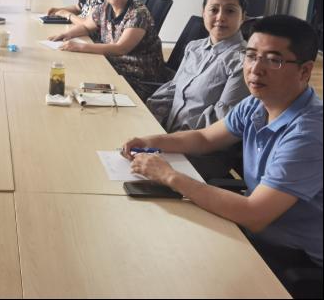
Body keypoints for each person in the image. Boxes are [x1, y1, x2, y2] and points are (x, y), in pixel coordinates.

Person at [122, 15, 322, 298]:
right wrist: (151, 141)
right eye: (250, 55)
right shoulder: (256, 104)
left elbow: (254, 215)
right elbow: (205, 138)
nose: (255, 69)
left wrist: (169, 176)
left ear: (304, 71)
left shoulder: (309, 134)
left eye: (273, 60)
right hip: (256, 231)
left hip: (294, 256)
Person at [48, 0, 164, 100]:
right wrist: (66, 35)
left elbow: (121, 48)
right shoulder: (104, 7)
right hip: (114, 67)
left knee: (80, 82)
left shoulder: (138, 13)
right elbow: (86, 27)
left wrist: (80, 46)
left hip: (137, 79)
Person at [146, 0, 250, 132]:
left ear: (243, 17)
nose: (220, 17)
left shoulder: (243, 62)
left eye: (230, 11)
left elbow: (220, 121)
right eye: (214, 10)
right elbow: (172, 90)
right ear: (203, 13)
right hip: (164, 132)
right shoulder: (194, 47)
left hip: (193, 143)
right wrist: (147, 119)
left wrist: (167, 140)